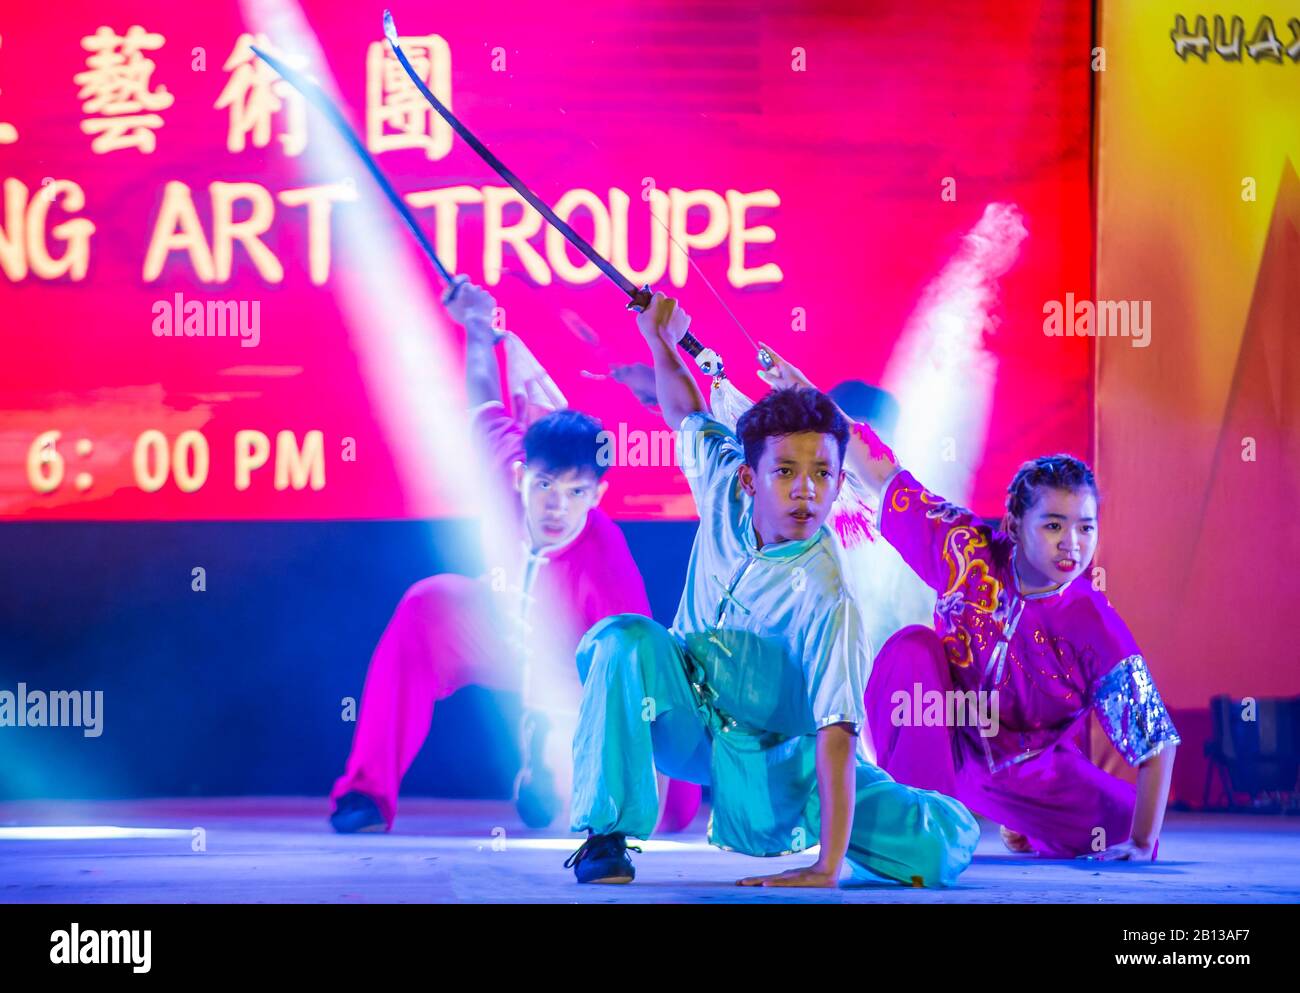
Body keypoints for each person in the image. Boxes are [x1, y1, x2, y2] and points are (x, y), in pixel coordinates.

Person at [563, 293, 979, 887]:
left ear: (839, 485)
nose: (804, 491)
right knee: (624, 639)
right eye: (784, 472)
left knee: (934, 855)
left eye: (822, 475)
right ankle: (605, 838)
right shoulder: (720, 487)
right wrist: (659, 339)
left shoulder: (828, 594)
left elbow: (837, 731)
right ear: (748, 476)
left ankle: (941, 821)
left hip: (785, 765)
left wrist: (825, 867)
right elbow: (684, 410)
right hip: (689, 721)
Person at [761, 344, 1180, 860]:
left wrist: (1139, 843)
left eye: (1085, 528)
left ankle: (1021, 825)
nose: (1071, 543)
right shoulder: (965, 546)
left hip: (1032, 775)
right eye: (1053, 525)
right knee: (912, 649)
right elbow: (881, 474)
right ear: (1014, 526)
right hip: (941, 745)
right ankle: (914, 824)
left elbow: (1156, 740)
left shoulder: (1093, 621)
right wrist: (807, 394)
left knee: (1126, 826)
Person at [330, 281, 699, 833]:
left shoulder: (604, 559)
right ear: (523, 475)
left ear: (598, 495)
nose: (558, 507)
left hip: (581, 672)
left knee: (673, 809)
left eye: (577, 494)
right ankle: (366, 795)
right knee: (426, 604)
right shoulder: (505, 464)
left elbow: (638, 679)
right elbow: (483, 394)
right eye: (547, 487)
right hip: (506, 635)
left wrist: (636, 799)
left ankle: (568, 766)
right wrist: (477, 327)